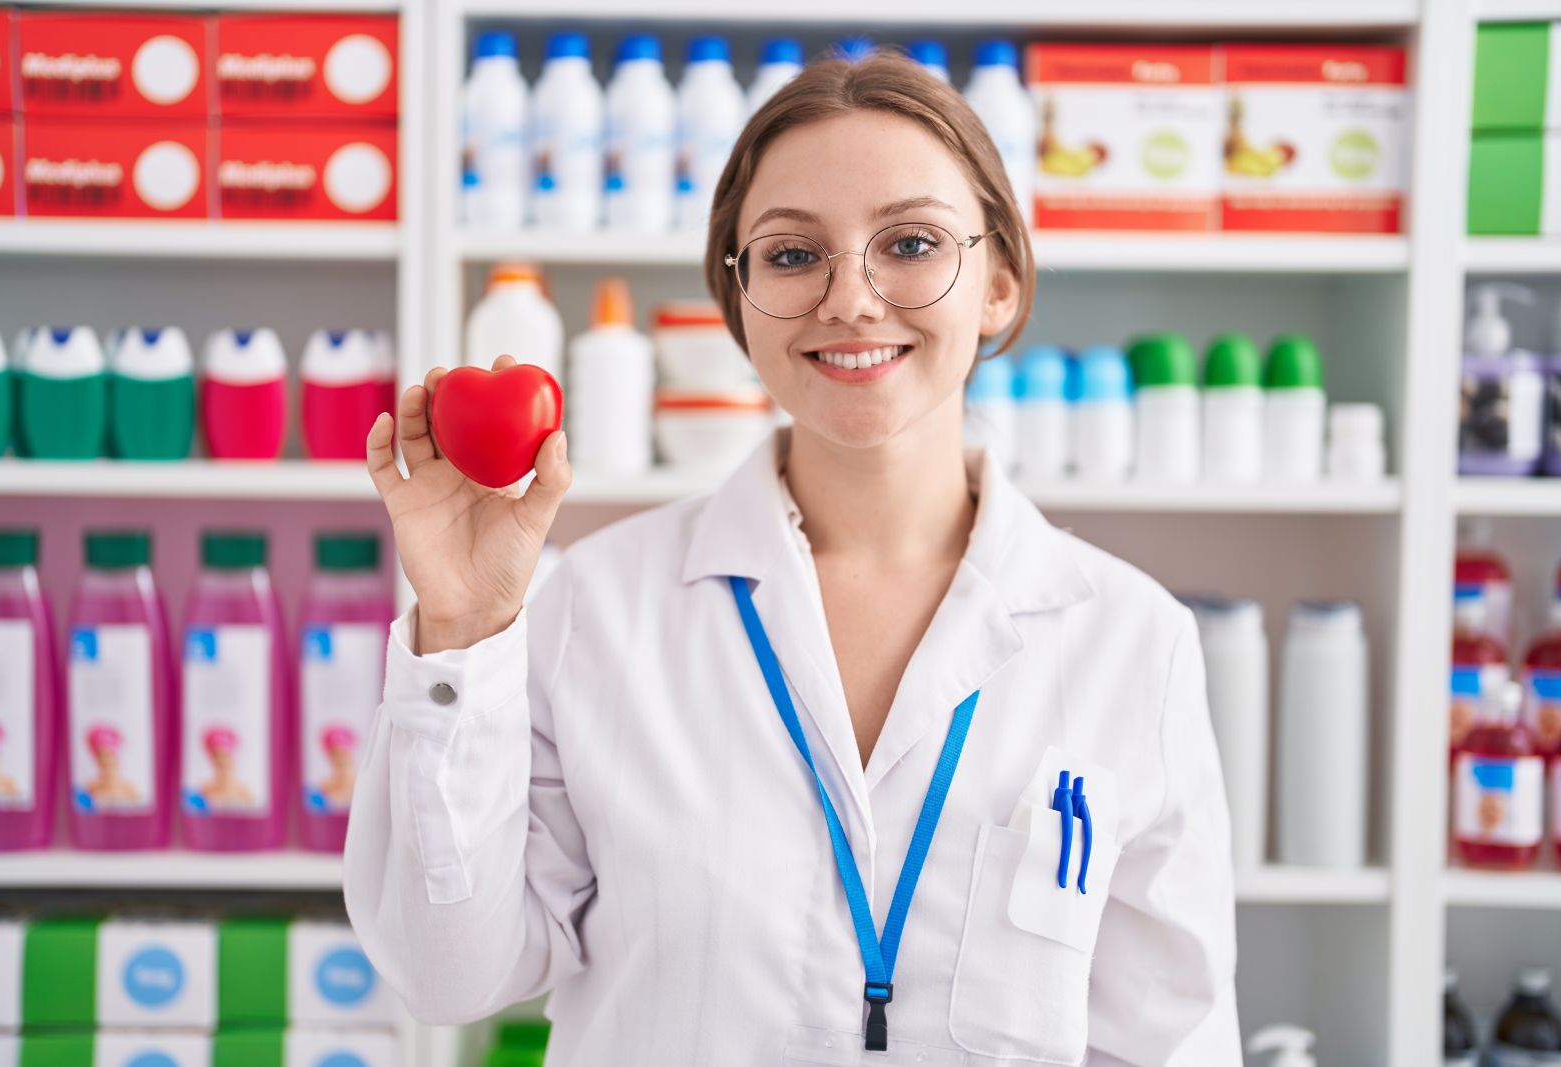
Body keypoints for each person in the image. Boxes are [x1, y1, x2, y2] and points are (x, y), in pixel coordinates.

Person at [345, 49, 1240, 1065]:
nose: (849, 299)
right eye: (788, 255)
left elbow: (1172, 1038)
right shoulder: (593, 609)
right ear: (737, 303)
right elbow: (448, 977)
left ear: (998, 283)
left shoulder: (1128, 641)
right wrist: (461, 625)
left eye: (908, 243)